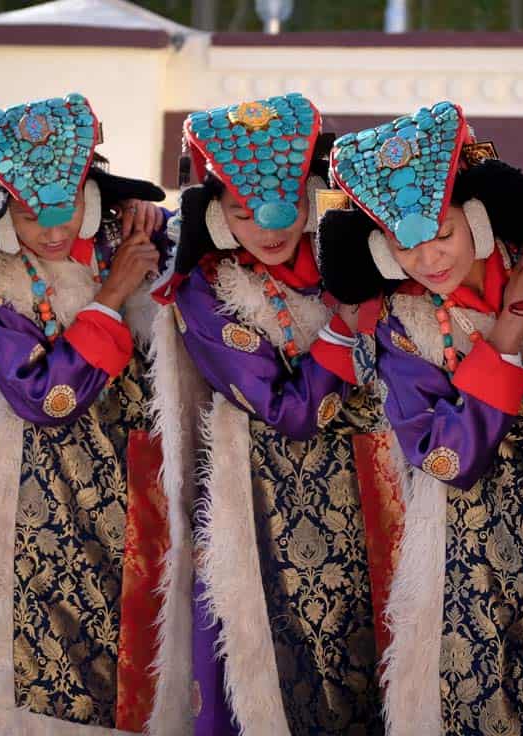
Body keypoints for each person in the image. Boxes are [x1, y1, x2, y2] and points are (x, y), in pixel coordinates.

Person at [0, 92, 185, 735]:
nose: (52, 228)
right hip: (36, 496)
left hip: (138, 488)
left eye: (67, 205)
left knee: (141, 665)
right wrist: (113, 292)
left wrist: (148, 242)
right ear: (1, 207)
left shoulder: (124, 237)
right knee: (44, 671)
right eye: (29, 210)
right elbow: (44, 397)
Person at [316, 101, 523, 736]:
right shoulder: (402, 327)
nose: (429, 260)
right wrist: (510, 328)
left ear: (480, 222)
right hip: (474, 540)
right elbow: (444, 456)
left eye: (444, 234)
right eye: (406, 244)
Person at [152, 92, 402, 734]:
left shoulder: (360, 255)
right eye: (242, 209)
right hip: (270, 508)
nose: (269, 224)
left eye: (287, 202)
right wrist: (346, 332)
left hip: (383, 494)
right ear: (213, 213)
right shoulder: (205, 290)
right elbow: (289, 410)